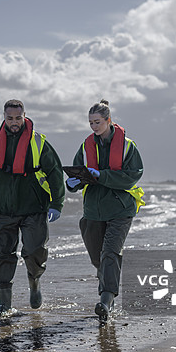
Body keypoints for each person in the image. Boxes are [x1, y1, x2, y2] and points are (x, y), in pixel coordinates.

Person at [0, 99, 65, 317]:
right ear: (4, 117)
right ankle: (5, 304)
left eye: (18, 118)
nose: (14, 122)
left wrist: (57, 204)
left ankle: (35, 281)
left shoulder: (38, 142)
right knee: (0, 254)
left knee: (35, 251)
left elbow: (55, 173)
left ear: (24, 116)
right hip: (3, 208)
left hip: (34, 207)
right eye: (10, 118)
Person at [66, 99, 144, 324]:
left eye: (97, 122)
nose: (93, 127)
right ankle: (107, 293)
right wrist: (72, 183)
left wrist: (102, 175)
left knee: (110, 253)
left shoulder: (128, 146)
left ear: (108, 121)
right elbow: (78, 175)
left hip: (121, 209)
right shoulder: (85, 146)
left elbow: (134, 175)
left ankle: (105, 303)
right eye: (90, 123)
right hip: (92, 210)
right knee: (98, 258)